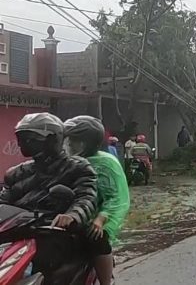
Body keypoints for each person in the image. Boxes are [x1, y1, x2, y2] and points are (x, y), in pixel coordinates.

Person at [0, 113, 98, 276]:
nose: (26, 143)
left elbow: (86, 197)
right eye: (23, 139)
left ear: (53, 139)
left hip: (55, 232)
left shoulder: (77, 167)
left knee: (94, 240)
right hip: (19, 232)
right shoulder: (16, 173)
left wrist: (72, 215)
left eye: (32, 138)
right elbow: (3, 201)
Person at [63, 116, 130, 285]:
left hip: (98, 218)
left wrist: (101, 219)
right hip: (70, 214)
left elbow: (115, 198)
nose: (69, 144)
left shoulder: (105, 163)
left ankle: (105, 281)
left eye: (74, 140)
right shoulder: (65, 162)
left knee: (96, 239)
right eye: (68, 139)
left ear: (87, 142)